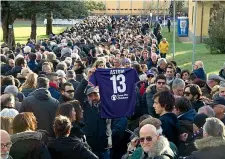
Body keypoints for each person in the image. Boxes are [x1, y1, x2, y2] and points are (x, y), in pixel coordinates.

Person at [75, 68, 112, 159]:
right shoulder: (85, 106)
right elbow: (77, 95)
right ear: (87, 97)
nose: (93, 97)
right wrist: (87, 78)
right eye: (90, 96)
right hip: (89, 148)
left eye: (96, 95)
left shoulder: (106, 105)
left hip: (104, 147)